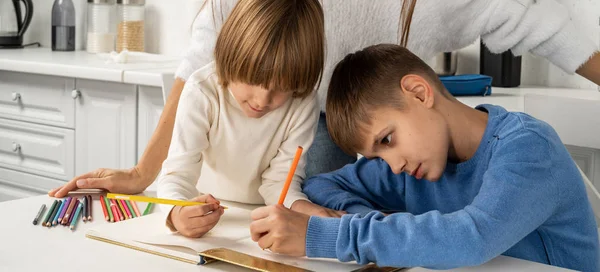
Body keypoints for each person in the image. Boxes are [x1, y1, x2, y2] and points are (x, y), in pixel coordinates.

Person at [49, 0, 600, 198]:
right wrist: (147, 172)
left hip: (368, 146)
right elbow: (205, 53)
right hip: (268, 140)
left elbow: (553, 30)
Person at [249, 44, 599, 271]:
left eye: (386, 139)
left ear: (418, 93)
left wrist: (323, 235)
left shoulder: (528, 148)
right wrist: (365, 219)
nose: (392, 165)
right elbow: (323, 184)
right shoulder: (410, 164)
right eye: (377, 155)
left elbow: (471, 238)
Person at [156, 0, 344, 238]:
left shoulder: (303, 102)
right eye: (253, 81)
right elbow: (177, 174)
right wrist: (176, 214)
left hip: (259, 220)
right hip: (207, 218)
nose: (262, 100)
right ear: (229, 56)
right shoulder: (202, 92)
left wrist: (304, 209)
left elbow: (281, 181)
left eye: (281, 88)